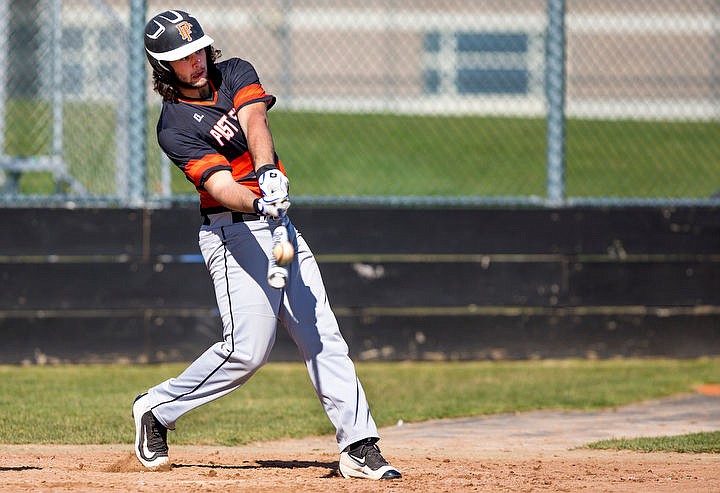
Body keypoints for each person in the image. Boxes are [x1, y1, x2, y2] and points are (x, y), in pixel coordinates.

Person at [133, 9, 401, 481]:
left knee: (320, 331)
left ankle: (359, 445)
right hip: (234, 234)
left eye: (197, 48)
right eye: (181, 56)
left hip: (279, 236)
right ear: (163, 68)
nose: (195, 60)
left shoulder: (235, 71)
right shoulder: (174, 126)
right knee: (248, 349)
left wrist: (268, 174)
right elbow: (218, 187)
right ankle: (157, 407)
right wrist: (257, 203)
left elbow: (255, 121)